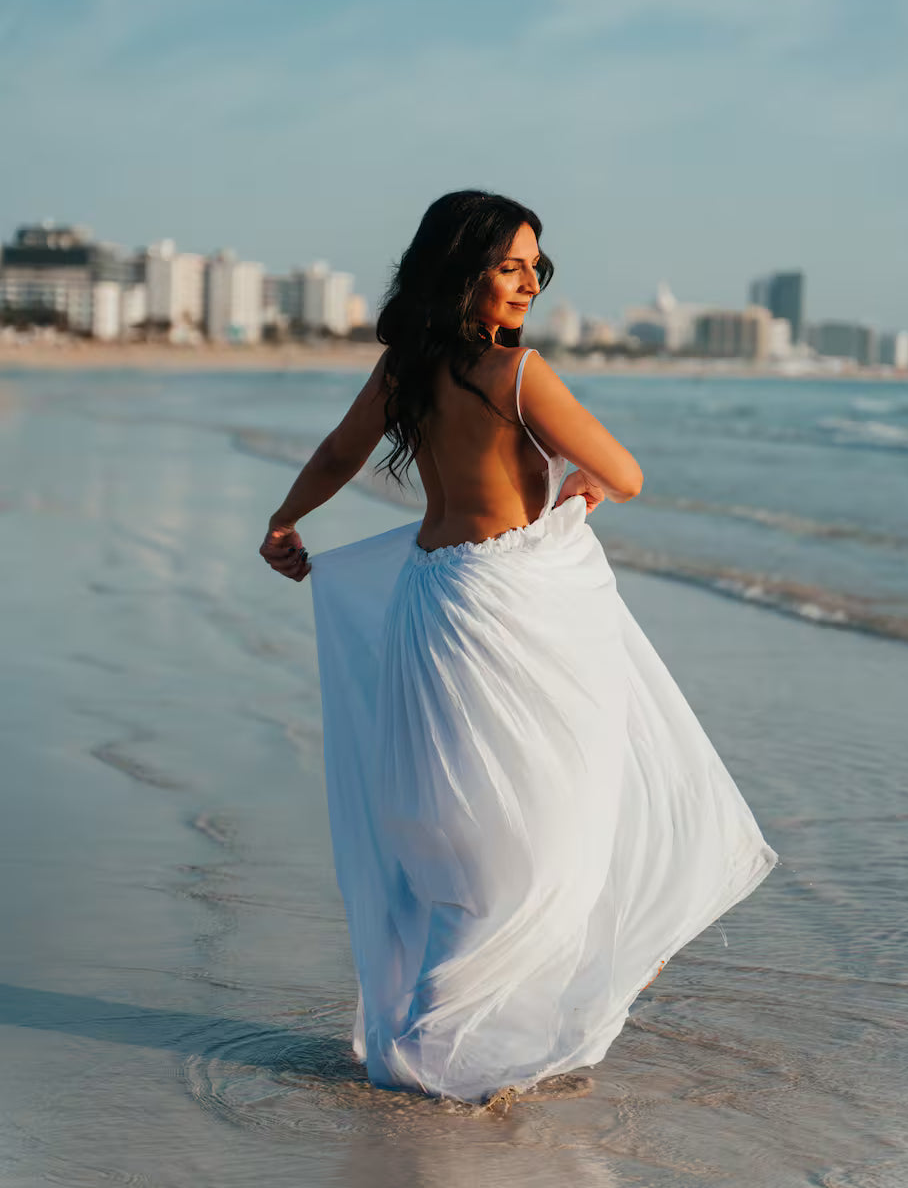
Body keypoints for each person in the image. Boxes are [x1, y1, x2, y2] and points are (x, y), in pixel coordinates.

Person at [259, 189, 779, 1106]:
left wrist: (285, 520)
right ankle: (448, 1041)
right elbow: (626, 474)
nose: (528, 280)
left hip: (432, 602)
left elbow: (340, 455)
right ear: (464, 272)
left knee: (459, 824)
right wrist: (580, 493)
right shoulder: (519, 374)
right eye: (508, 265)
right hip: (507, 609)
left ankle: (435, 1033)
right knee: (542, 822)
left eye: (534, 264)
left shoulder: (403, 371)